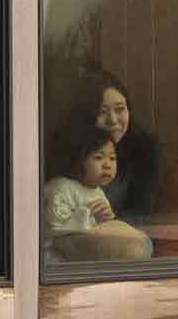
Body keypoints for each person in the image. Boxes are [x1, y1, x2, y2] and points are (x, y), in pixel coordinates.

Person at [43, 111, 152, 262]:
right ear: (78, 160)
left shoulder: (98, 192)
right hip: (56, 261)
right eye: (99, 157)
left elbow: (100, 229)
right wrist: (86, 214)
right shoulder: (61, 188)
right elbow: (53, 230)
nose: (108, 165)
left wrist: (104, 219)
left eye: (112, 158)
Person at [83, 72, 161, 228]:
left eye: (120, 109)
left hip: (123, 235)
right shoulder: (74, 149)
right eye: (102, 112)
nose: (112, 120)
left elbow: (142, 213)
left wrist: (109, 220)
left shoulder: (144, 149)